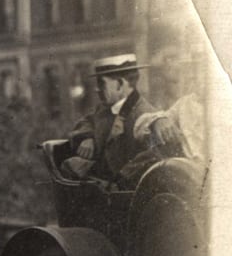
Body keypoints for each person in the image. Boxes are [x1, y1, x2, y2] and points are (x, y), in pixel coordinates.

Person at [60, 54, 181, 188]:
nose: (96, 89)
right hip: (99, 184)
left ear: (119, 84)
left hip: (123, 193)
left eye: (101, 83)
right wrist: (87, 137)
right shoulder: (104, 109)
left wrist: (120, 179)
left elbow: (154, 156)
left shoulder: (146, 117)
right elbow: (87, 121)